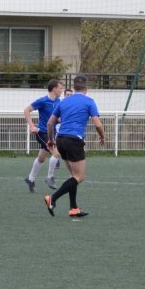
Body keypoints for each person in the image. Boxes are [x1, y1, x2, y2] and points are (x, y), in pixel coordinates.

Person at [44, 75, 106, 218]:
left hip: (61, 139)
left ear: (73, 87)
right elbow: (97, 124)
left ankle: (73, 208)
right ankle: (52, 198)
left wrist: (51, 140)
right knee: (79, 176)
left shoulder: (64, 101)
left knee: (73, 176)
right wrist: (102, 136)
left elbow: (49, 123)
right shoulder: (89, 101)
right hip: (74, 141)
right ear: (86, 87)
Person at [23, 78, 65, 192]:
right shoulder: (42, 101)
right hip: (42, 132)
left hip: (52, 133)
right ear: (54, 89)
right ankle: (50, 177)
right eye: (60, 88)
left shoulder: (59, 102)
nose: (62, 90)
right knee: (56, 153)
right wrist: (31, 126)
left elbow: (58, 118)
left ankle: (30, 179)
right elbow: (26, 110)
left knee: (41, 158)